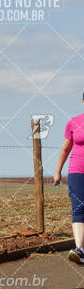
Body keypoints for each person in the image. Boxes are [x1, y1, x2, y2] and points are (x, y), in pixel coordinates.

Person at [53, 94, 84, 264]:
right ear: (83, 101)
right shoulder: (74, 122)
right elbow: (65, 149)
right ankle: (80, 249)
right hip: (77, 171)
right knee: (78, 208)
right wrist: (58, 171)